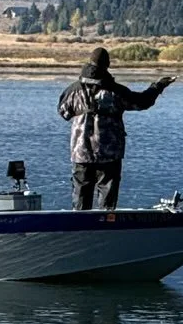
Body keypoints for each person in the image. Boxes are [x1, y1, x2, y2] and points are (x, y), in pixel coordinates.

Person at [57, 48, 173, 209]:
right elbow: (141, 102)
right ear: (107, 65)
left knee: (81, 195)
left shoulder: (73, 90)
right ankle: (105, 222)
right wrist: (158, 86)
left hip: (80, 151)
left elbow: (63, 112)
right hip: (109, 152)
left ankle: (81, 224)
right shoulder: (116, 91)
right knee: (107, 195)